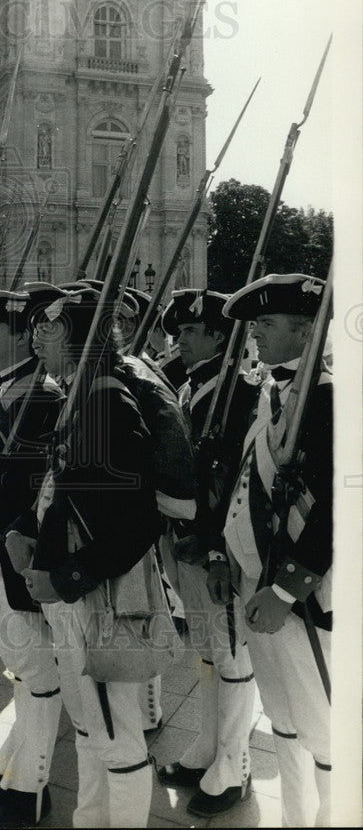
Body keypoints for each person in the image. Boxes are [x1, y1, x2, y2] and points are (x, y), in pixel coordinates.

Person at [7, 288, 161, 827]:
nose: (34, 339)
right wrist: (26, 528)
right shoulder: (80, 396)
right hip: (73, 595)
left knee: (118, 737)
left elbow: (139, 518)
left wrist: (69, 576)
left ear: (75, 337)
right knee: (92, 728)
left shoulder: (105, 402)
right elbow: (67, 491)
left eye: (46, 330)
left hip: (101, 597)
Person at [221, 273, 332, 827]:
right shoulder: (274, 393)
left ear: (306, 330)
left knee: (327, 733)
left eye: (267, 323)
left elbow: (334, 509)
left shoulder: (329, 397)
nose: (256, 333)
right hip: (256, 579)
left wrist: (286, 589)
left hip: (301, 598)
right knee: (284, 721)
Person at [0, 288, 64, 827]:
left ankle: (32, 787)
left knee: (34, 667)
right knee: (21, 667)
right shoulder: (14, 389)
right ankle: (13, 762)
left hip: (19, 559)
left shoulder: (40, 396)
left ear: (22, 333)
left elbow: (27, 499)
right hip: (0, 553)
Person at [155, 289, 259, 817]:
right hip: (185, 540)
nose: (179, 342)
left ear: (220, 336)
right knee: (208, 649)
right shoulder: (192, 386)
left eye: (191, 333)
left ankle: (235, 764)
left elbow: (239, 482)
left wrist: (217, 546)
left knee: (233, 654)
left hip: (218, 549)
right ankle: (208, 743)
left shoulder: (240, 394)